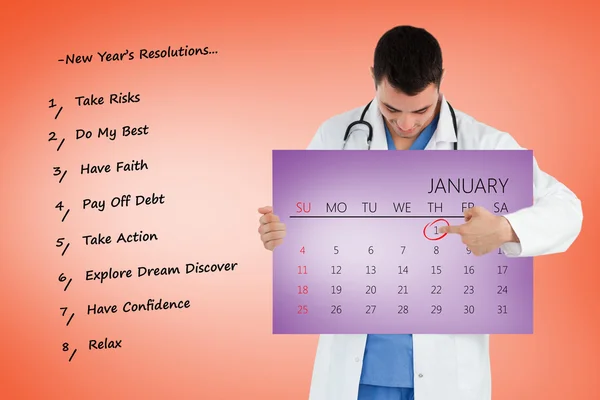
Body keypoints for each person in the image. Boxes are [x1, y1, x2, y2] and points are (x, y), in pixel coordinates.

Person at [257, 25, 583, 400]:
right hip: (355, 373)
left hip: (447, 372)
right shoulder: (337, 136)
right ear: (373, 81)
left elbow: (568, 209)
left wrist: (507, 229)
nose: (407, 123)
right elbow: (302, 232)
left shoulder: (484, 145)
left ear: (440, 84)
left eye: (422, 110)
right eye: (391, 108)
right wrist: (279, 235)